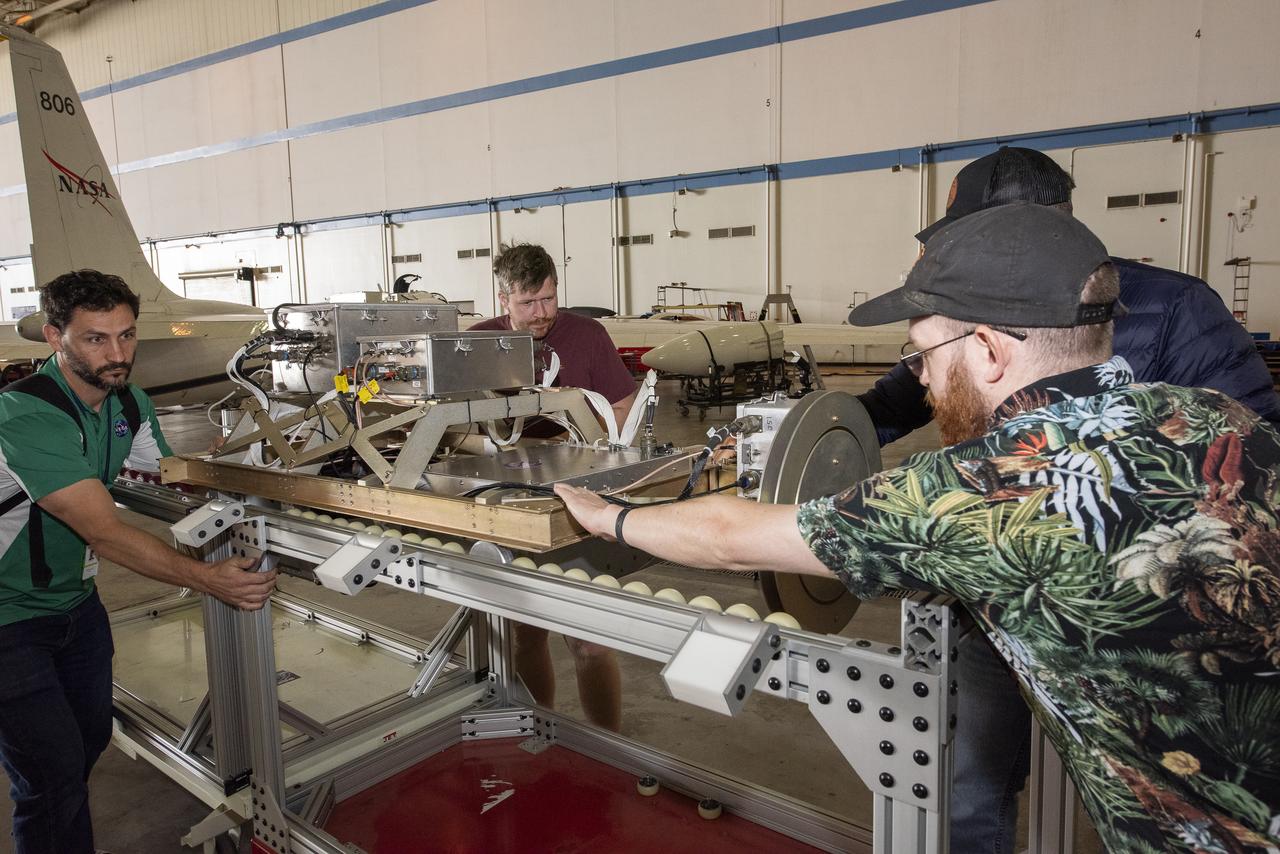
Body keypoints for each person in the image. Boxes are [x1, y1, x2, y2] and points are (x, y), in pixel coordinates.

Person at [555, 204, 1280, 853]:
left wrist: (610, 515)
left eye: (924, 354)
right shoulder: (1224, 419)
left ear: (990, 351)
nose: (923, 381)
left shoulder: (980, 492)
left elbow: (727, 535)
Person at [857, 146, 1280, 853]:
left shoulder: (1176, 307)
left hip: (1143, 622)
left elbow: (1248, 452)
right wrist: (814, 436)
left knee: (1162, 796)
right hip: (1006, 590)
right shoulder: (973, 307)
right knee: (973, 779)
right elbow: (902, 399)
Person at [0, 270, 277, 854]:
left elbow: (169, 477)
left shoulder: (128, 401)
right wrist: (206, 579)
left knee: (87, 740)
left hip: (75, 607)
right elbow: (106, 532)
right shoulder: (26, 415)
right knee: (50, 776)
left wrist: (260, 482)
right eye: (96, 339)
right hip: (8, 618)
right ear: (55, 337)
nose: (117, 353)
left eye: (126, 336)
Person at [471, 244, 637, 731]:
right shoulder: (476, 345)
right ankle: (542, 731)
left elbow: (623, 404)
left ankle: (607, 744)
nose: (542, 313)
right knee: (526, 634)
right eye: (528, 304)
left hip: (580, 501)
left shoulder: (587, 335)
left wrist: (579, 446)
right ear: (503, 299)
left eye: (548, 299)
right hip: (509, 502)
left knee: (589, 640)